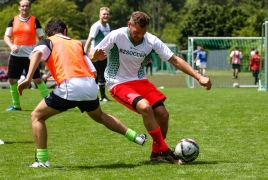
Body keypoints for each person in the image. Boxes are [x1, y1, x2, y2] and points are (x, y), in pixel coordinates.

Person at [18, 18, 147, 168]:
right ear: (65, 31)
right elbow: (92, 70)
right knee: (100, 116)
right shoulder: (77, 43)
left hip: (71, 86)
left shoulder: (48, 42)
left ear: (49, 33)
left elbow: (36, 54)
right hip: (90, 85)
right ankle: (136, 137)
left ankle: (42, 161)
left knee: (36, 116)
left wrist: (28, 79)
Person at [88, 11, 211, 165]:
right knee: (145, 107)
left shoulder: (151, 41)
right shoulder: (116, 35)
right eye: (136, 32)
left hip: (140, 81)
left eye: (142, 33)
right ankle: (167, 152)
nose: (139, 35)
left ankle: (155, 153)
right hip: (117, 82)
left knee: (163, 114)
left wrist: (199, 76)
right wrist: (94, 56)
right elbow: (92, 53)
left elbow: (175, 60)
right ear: (129, 24)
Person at [4, 0, 48, 111]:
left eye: (27, 6)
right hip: (15, 56)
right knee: (12, 80)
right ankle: (16, 106)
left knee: (38, 79)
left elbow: (41, 38)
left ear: (30, 8)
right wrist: (11, 46)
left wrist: (38, 51)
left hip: (31, 57)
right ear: (19, 7)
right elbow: (6, 37)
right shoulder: (13, 21)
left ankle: (50, 103)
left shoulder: (34, 21)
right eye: (23, 6)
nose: (25, 8)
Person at [84, 7, 111, 102]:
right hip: (95, 55)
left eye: (107, 14)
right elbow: (89, 40)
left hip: (104, 54)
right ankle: (101, 96)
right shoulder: (96, 26)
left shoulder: (107, 26)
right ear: (99, 15)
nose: (106, 15)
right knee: (98, 75)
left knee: (103, 75)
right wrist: (84, 53)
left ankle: (99, 96)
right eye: (104, 14)